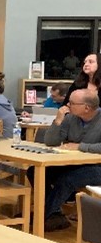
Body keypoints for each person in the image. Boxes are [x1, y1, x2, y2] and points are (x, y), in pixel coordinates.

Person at [38, 89, 101, 231]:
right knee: (36, 172)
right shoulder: (71, 117)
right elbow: (50, 141)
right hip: (74, 163)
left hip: (97, 167)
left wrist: (80, 146)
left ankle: (41, 216)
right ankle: (53, 214)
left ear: (87, 108)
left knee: (68, 179)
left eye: (72, 103)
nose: (67, 105)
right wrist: (58, 120)